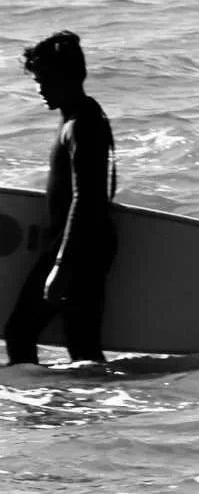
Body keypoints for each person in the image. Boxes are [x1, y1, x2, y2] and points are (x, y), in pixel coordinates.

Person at [5, 31, 118, 365]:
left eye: (46, 80)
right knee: (82, 344)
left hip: (79, 247)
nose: (39, 88)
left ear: (70, 77)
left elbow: (88, 197)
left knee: (20, 334)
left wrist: (61, 265)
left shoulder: (83, 124)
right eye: (37, 80)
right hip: (87, 244)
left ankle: (39, 410)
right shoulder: (79, 115)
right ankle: (91, 409)